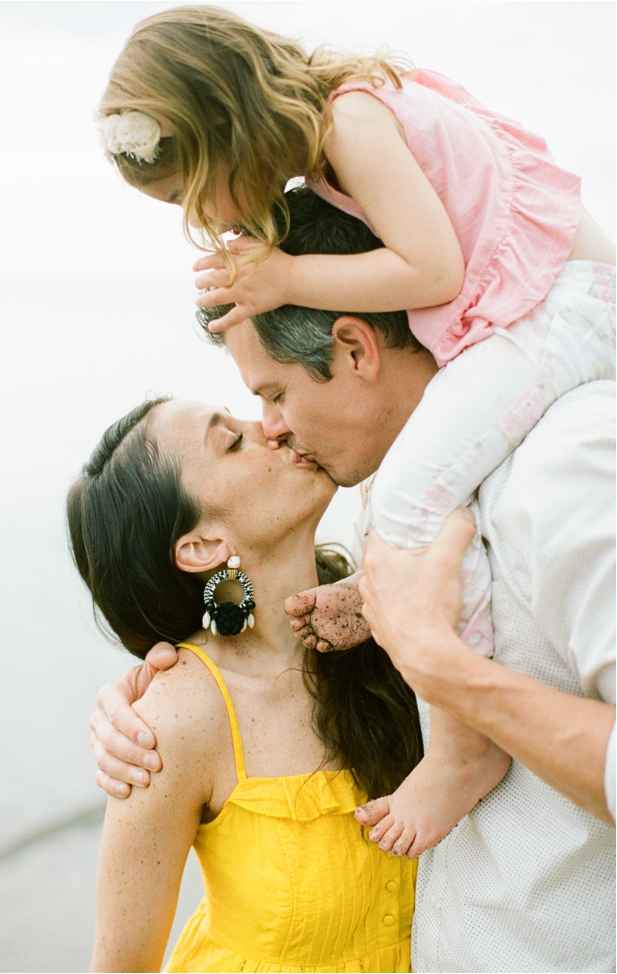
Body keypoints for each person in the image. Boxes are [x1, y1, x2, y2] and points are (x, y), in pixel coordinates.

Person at [96, 4, 615, 857]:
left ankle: (460, 751)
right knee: (423, 489)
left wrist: (286, 274)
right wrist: (374, 604)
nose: (204, 217)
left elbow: (434, 267)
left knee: (412, 488)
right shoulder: (335, 139)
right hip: (548, 311)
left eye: (194, 193)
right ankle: (415, 648)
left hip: (568, 309)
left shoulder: (350, 117)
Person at [91, 189, 616, 971]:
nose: (270, 426)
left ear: (354, 348)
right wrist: (144, 703)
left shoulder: (556, 481)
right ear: (197, 544)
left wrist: (449, 674)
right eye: (241, 427)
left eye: (270, 396)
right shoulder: (389, 550)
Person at [69, 395, 423, 973]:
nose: (273, 427)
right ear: (202, 547)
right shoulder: (171, 722)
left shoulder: (397, 606)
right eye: (233, 441)